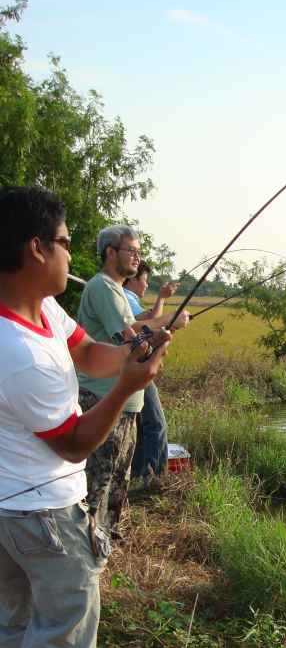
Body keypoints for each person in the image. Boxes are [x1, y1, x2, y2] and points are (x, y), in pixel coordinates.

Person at [0, 186, 170, 648]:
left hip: (15, 509)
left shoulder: (44, 313)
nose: (72, 255)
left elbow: (91, 353)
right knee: (63, 634)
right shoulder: (16, 351)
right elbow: (74, 443)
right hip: (42, 515)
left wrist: (135, 348)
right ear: (36, 246)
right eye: (67, 242)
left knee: (18, 625)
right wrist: (130, 384)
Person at [77, 226, 188, 539]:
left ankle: (106, 547)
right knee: (97, 486)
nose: (138, 257)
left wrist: (160, 334)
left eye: (139, 251)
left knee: (118, 486)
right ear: (110, 252)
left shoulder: (117, 290)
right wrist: (168, 322)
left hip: (125, 402)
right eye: (131, 250)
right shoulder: (103, 287)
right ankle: (89, 551)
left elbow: (140, 336)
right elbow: (131, 339)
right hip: (103, 398)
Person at [123, 261, 176, 481]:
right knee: (155, 423)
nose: (146, 285)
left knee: (143, 424)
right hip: (138, 366)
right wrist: (162, 298)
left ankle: (140, 473)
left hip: (136, 365)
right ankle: (154, 477)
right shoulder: (126, 297)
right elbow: (150, 323)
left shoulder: (127, 298)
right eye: (144, 280)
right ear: (133, 279)